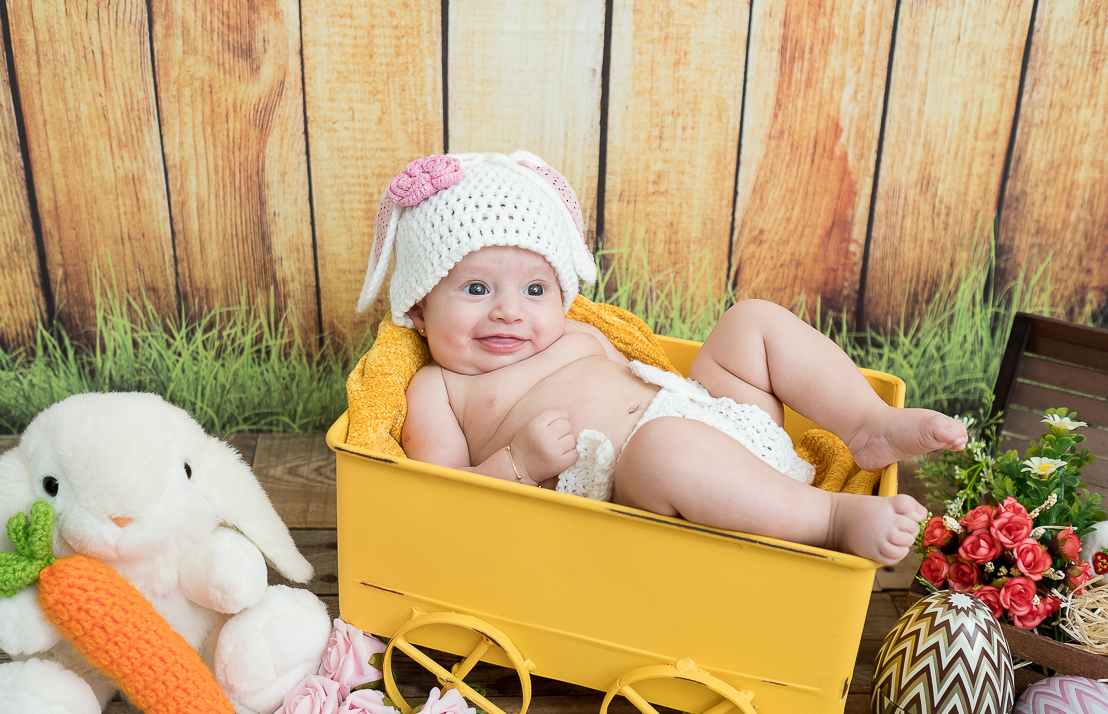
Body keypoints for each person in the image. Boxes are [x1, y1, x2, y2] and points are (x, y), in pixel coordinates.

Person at [355, 151, 967, 565]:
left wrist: (705, 402)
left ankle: (865, 422)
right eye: (476, 288)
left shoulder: (575, 332)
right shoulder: (437, 388)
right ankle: (831, 518)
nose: (509, 312)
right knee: (662, 445)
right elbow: (442, 504)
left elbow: (646, 373)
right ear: (418, 307)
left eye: (536, 289)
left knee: (748, 324)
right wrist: (518, 463)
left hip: (721, 426)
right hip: (652, 485)